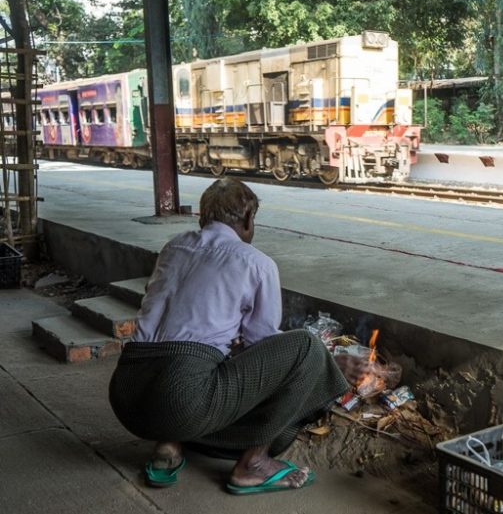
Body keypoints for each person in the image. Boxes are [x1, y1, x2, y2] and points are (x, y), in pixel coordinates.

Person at [109, 178, 349, 494]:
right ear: (249, 219)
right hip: (181, 398)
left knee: (187, 357)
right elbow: (263, 342)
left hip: (127, 396)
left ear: (201, 217)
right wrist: (331, 361)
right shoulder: (256, 262)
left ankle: (168, 447)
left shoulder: (173, 247)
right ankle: (254, 464)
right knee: (306, 347)